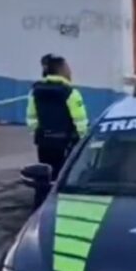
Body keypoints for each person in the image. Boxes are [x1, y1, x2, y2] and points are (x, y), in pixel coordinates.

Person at [26, 55, 89, 206]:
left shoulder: (35, 92)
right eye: (67, 68)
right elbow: (80, 121)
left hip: (44, 143)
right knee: (64, 178)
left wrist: (39, 134)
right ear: (61, 71)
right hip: (66, 143)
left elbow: (31, 118)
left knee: (44, 177)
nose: (70, 71)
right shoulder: (71, 93)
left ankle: (40, 206)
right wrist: (83, 142)